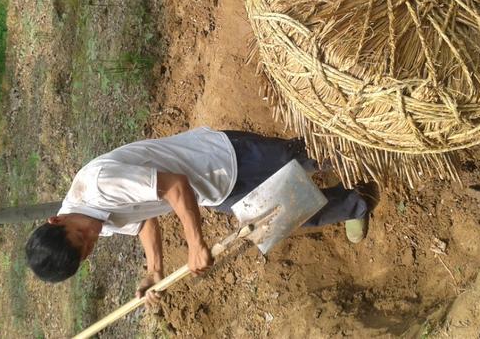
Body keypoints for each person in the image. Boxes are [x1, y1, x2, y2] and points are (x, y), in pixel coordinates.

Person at [25, 127, 368, 302]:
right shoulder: (90, 222)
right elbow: (143, 221)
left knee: (308, 157)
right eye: (88, 250)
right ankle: (356, 201)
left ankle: (368, 143)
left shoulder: (99, 186)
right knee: (291, 215)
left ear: (57, 220)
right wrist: (153, 272)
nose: (92, 237)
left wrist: (194, 243)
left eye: (82, 236)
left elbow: (176, 186)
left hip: (223, 157)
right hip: (213, 191)